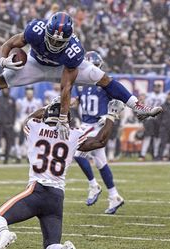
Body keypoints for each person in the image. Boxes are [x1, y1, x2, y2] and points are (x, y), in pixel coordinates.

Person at [0, 12, 162, 141]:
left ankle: (137, 107)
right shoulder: (35, 30)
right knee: (3, 78)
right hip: (35, 63)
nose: (55, 43)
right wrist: (3, 59)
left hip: (62, 68)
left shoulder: (73, 50)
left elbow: (65, 88)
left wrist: (62, 119)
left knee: (101, 77)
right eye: (53, 39)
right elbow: (11, 43)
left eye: (61, 42)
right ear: (46, 31)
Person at [0, 98, 124, 249]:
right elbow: (100, 141)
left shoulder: (34, 127)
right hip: (56, 197)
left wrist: (51, 104)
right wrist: (112, 115)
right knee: (51, 245)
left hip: (36, 191)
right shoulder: (74, 135)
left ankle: (5, 233)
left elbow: (30, 118)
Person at [73, 51, 124, 214]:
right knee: (101, 163)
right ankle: (114, 195)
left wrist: (108, 115)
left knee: (76, 151)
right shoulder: (80, 83)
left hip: (97, 125)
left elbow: (118, 101)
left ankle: (94, 185)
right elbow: (77, 100)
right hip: (85, 124)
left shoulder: (105, 83)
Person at [139, 82, 166, 160]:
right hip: (150, 119)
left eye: (158, 86)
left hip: (159, 119)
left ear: (161, 87)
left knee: (157, 138)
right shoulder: (149, 95)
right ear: (153, 87)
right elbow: (143, 105)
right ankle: (142, 154)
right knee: (147, 137)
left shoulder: (164, 96)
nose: (157, 88)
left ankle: (156, 154)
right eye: (155, 86)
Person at [15, 86, 43, 161]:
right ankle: (18, 155)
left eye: (31, 93)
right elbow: (17, 111)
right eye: (28, 93)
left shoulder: (37, 101)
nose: (29, 95)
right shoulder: (21, 101)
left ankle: (30, 155)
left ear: (33, 93)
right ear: (25, 93)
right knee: (19, 138)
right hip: (22, 121)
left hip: (33, 123)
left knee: (32, 140)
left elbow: (41, 113)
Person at [0, 88, 16, 164]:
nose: (5, 90)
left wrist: (12, 122)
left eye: (7, 89)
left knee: (8, 143)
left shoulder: (12, 99)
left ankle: (6, 159)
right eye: (4, 89)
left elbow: (14, 112)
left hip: (8, 125)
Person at [158, 90, 170, 160]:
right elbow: (159, 118)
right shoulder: (162, 106)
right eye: (169, 95)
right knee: (162, 143)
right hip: (164, 128)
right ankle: (159, 157)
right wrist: (162, 125)